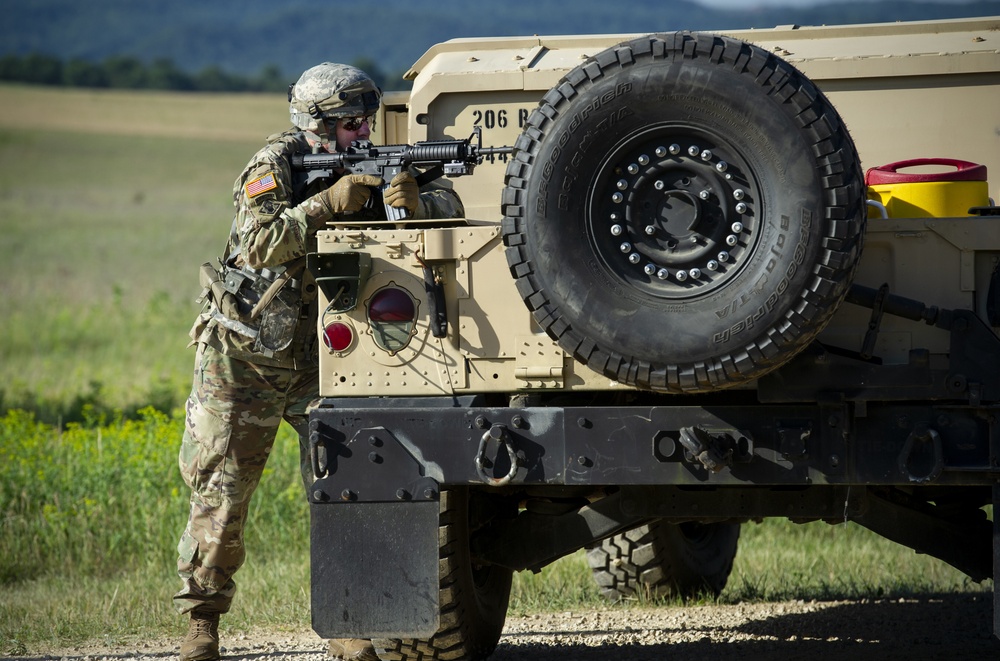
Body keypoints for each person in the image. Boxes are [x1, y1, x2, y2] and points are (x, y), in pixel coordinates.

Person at [173, 63, 464, 661]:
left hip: (322, 360)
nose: (364, 132)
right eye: (350, 123)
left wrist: (415, 199)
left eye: (366, 119)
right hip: (244, 356)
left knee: (346, 487)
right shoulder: (273, 165)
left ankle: (348, 620)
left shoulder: (371, 161)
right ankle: (202, 622)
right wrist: (327, 203)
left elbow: (441, 207)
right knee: (224, 496)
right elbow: (258, 243)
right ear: (315, 126)